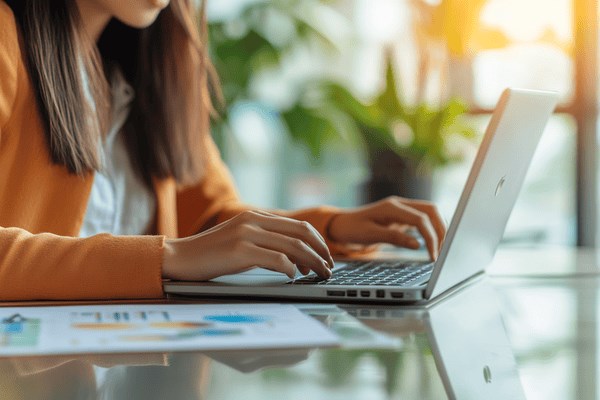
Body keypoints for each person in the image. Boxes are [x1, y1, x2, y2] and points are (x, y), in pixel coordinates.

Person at [0, 0, 445, 300]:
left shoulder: (150, 70)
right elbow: (192, 250)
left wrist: (333, 228)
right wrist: (169, 257)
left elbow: (213, 222)